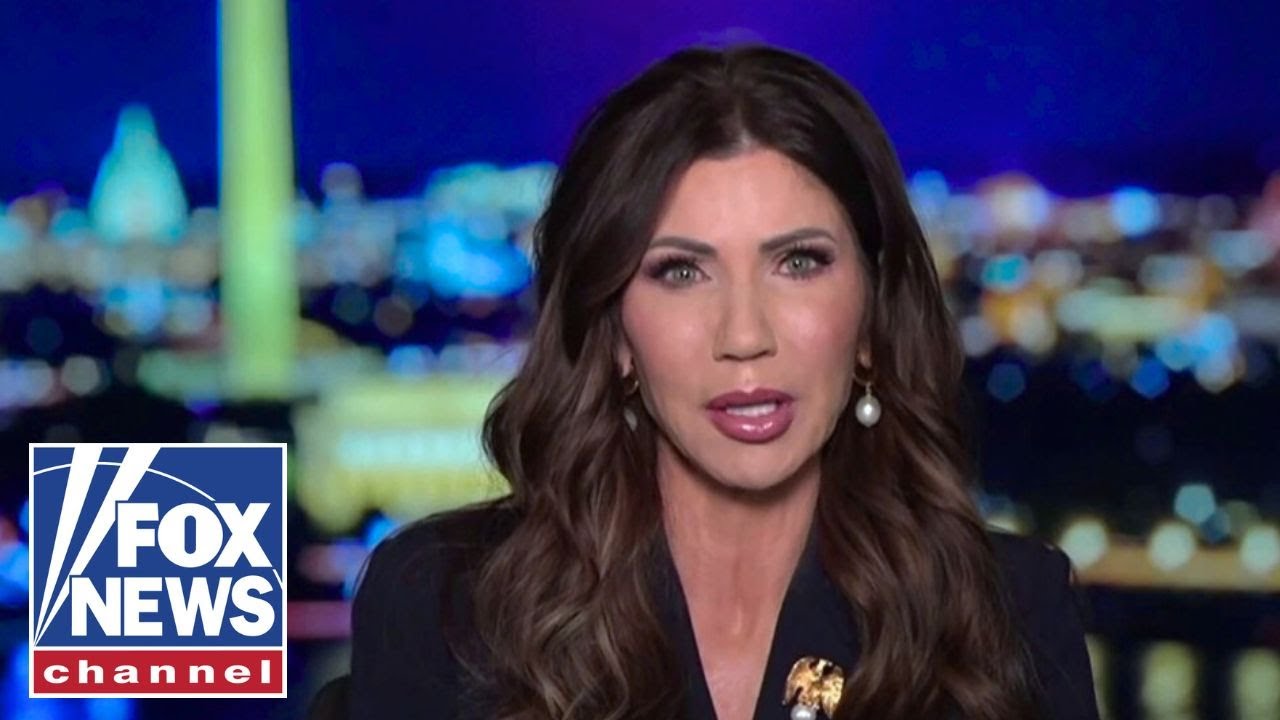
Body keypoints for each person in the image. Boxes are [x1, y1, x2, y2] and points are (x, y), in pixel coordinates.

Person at [343, 42, 1100, 720]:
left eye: (798, 263)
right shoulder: (441, 608)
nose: (744, 336)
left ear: (871, 318)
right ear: (616, 335)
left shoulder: (1010, 614)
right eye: (681, 272)